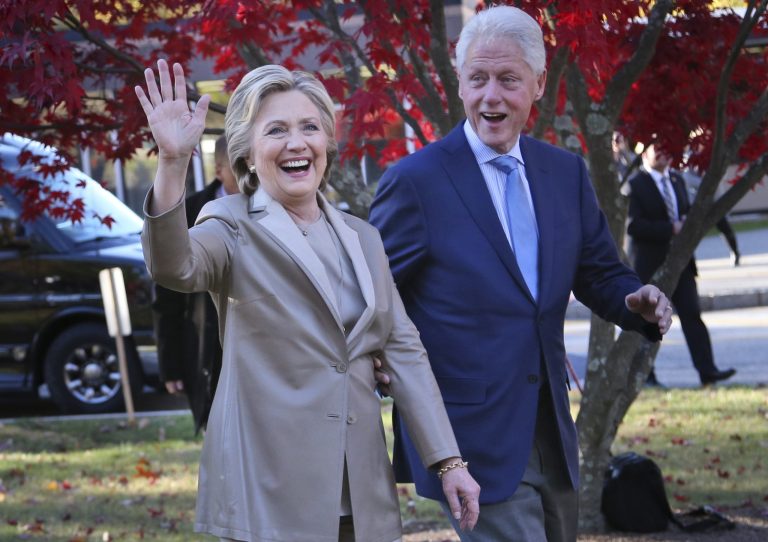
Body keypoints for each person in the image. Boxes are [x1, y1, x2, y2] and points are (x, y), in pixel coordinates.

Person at [135, 60, 480, 542]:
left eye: (309, 128)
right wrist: (172, 163)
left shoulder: (364, 238)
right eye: (276, 130)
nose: (296, 143)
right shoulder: (230, 222)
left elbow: (404, 351)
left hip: (360, 492)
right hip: (270, 490)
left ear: (327, 144)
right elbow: (175, 266)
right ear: (248, 154)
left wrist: (449, 462)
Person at [368, 6, 673, 542]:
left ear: (537, 84)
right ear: (459, 83)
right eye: (477, 79)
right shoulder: (415, 182)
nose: (491, 96)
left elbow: (599, 271)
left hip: (550, 426)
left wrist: (632, 300)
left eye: (508, 80)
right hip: (466, 437)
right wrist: (378, 358)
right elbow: (371, 294)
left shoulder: (564, 172)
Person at [626, 143, 737, 387]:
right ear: (644, 152)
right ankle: (646, 376)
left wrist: (686, 221)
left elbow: (685, 211)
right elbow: (633, 226)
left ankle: (708, 371)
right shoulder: (634, 184)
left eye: (668, 147)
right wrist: (670, 228)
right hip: (649, 267)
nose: (665, 152)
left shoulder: (676, 180)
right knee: (647, 322)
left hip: (681, 265)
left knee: (692, 316)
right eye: (658, 147)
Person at [153, 135, 239, 433]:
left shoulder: (274, 210)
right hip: (206, 346)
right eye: (239, 166)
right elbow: (167, 298)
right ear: (219, 169)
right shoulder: (190, 212)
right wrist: (170, 364)